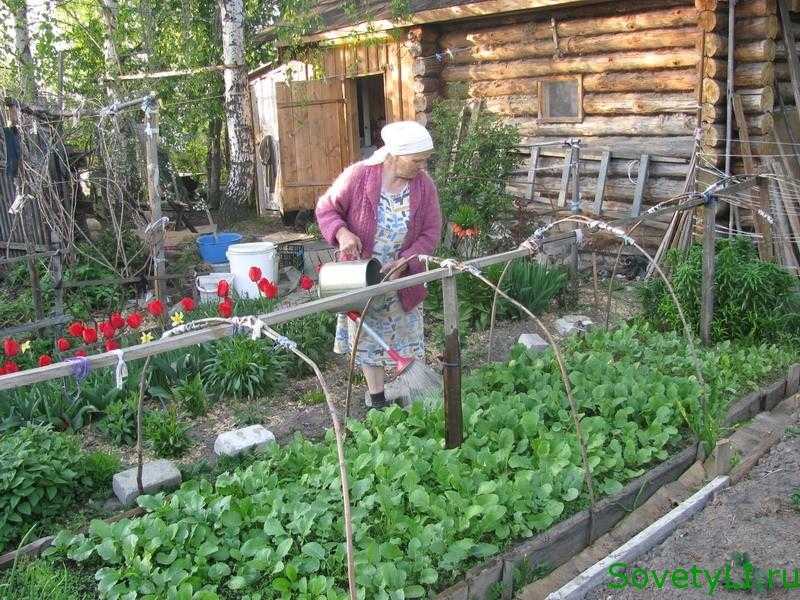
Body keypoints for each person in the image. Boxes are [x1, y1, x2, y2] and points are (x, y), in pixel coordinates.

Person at [315, 121, 442, 408]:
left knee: (407, 338)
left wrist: (406, 260)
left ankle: (411, 399)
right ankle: (377, 401)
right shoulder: (359, 177)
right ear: (395, 155)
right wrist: (342, 232)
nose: (421, 166)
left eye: (425, 160)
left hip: (400, 278)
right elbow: (326, 209)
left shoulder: (424, 187)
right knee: (368, 342)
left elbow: (431, 232)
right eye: (416, 160)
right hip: (361, 277)